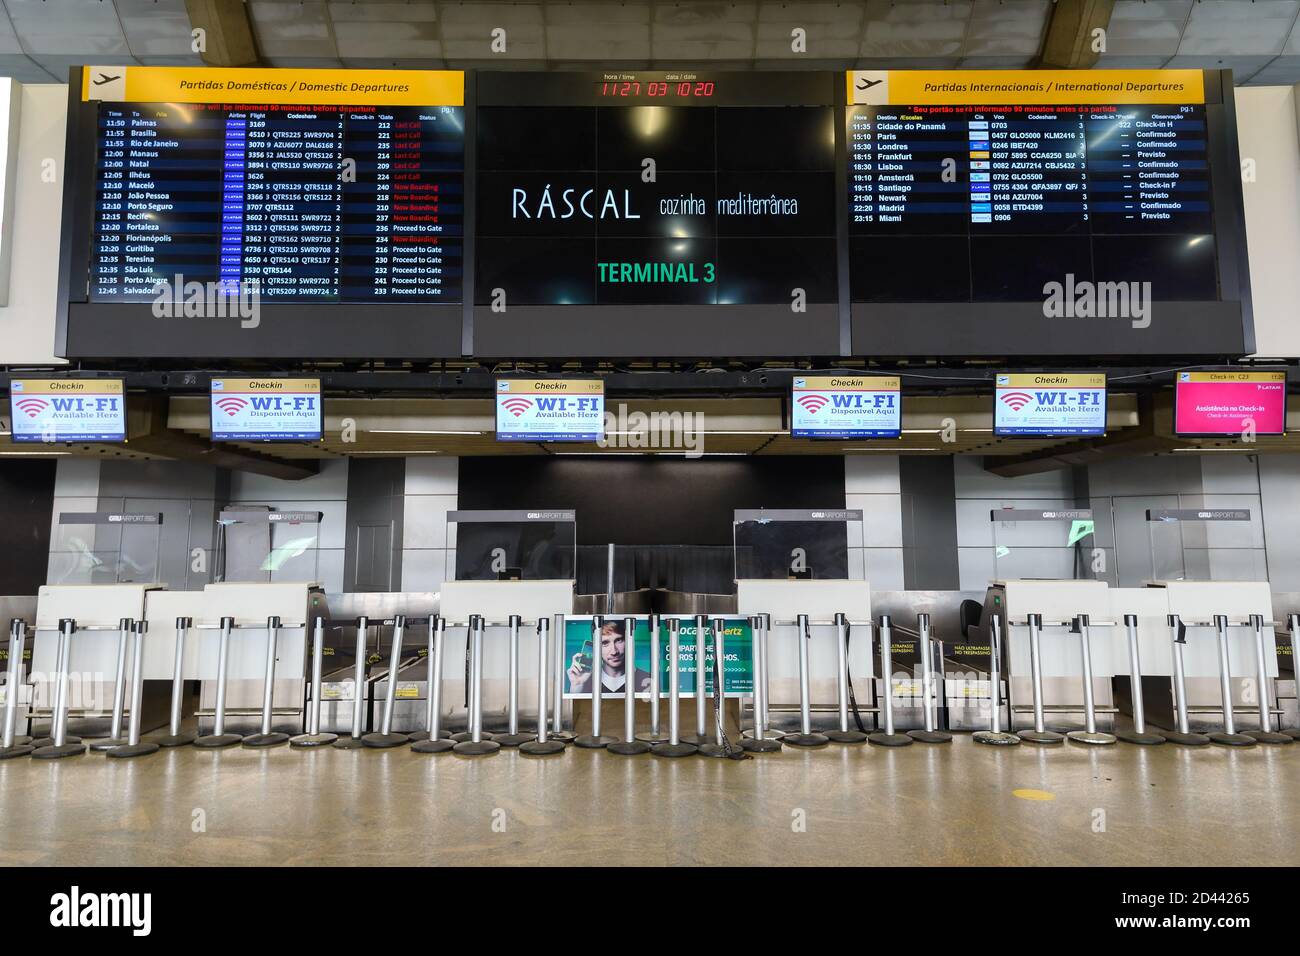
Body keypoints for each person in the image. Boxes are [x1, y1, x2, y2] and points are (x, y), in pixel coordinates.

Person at [568, 620, 652, 695]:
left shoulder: (648, 679)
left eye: (619, 640)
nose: (614, 652)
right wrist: (577, 686)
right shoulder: (583, 680)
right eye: (605, 643)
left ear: (629, 642)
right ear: (596, 647)